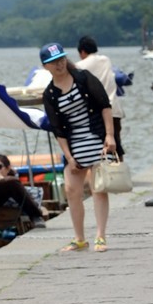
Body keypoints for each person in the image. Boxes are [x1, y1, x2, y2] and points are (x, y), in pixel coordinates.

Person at [39, 42, 116, 252]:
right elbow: (58, 130)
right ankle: (80, 238)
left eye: (61, 59)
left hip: (97, 139)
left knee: (98, 188)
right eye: (53, 62)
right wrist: (69, 157)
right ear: (45, 66)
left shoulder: (83, 78)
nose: (59, 64)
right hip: (74, 146)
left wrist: (110, 135)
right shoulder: (50, 95)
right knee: (71, 190)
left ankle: (100, 236)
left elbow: (104, 106)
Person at [75, 35, 124, 159]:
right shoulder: (106, 60)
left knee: (100, 149)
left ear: (82, 51)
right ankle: (120, 173)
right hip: (114, 110)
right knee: (116, 146)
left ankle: (103, 177)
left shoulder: (79, 66)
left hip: (97, 113)